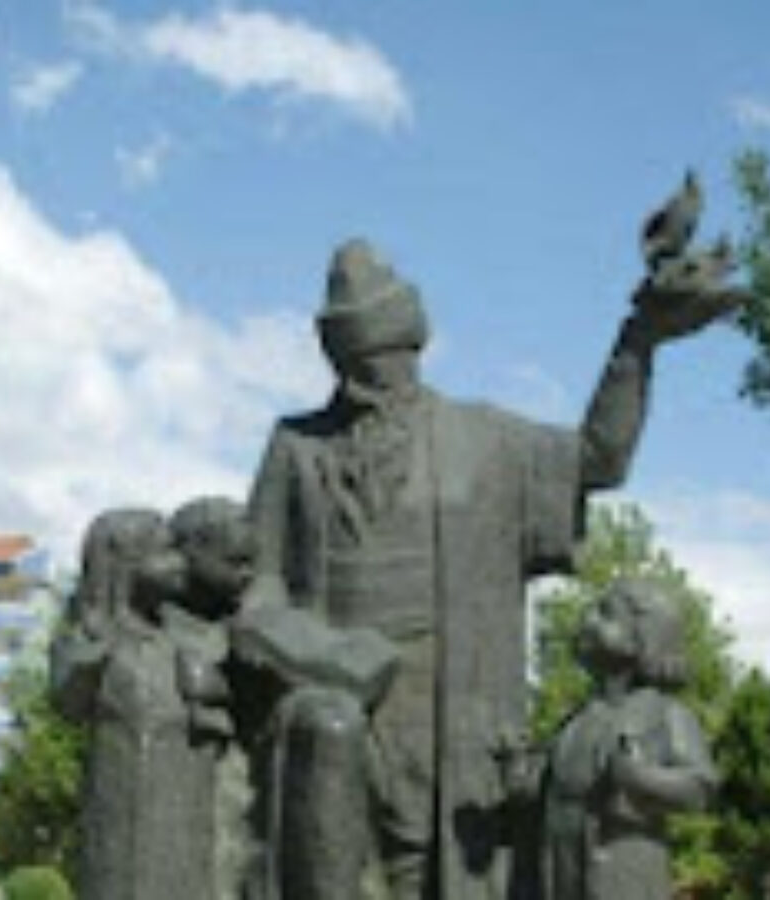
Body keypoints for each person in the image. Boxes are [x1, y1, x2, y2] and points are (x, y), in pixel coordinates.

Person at [243, 237, 735, 900]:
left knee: (441, 868)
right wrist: (307, 649)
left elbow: (598, 459)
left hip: (453, 712)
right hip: (332, 703)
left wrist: (638, 343)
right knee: (329, 862)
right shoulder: (296, 446)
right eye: (361, 361)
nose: (377, 374)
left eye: (387, 356)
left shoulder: (483, 440)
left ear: (413, 346)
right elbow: (258, 576)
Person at [51, 501, 252, 900]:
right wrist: (97, 649)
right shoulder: (90, 643)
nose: (180, 563)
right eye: (164, 552)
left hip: (186, 810)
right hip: (123, 810)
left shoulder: (182, 643)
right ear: (123, 567)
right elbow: (69, 697)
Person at [539, 578, 717, 899]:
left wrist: (641, 778)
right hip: (563, 869)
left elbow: (699, 788)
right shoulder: (575, 721)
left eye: (605, 614)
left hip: (624, 869)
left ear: (642, 639)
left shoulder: (664, 714)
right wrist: (525, 783)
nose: (588, 619)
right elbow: (556, 787)